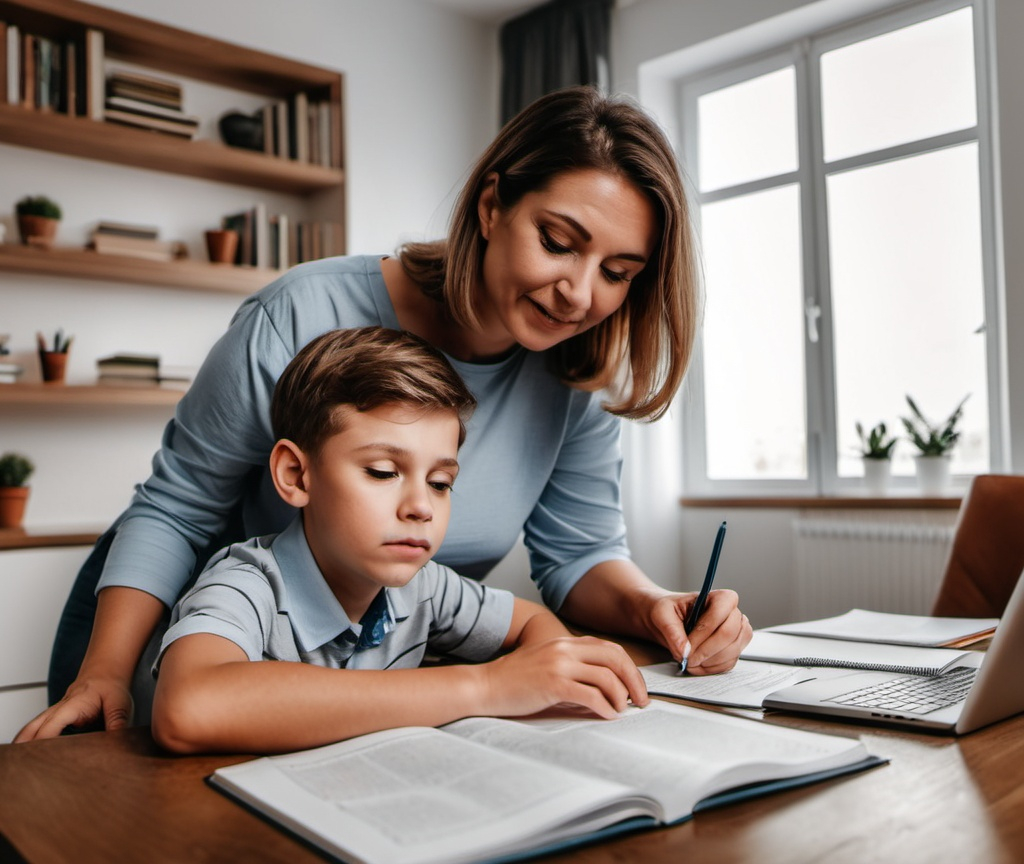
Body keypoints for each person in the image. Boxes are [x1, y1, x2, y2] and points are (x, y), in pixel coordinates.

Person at [18, 85, 751, 743]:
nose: (579, 294)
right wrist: (109, 670)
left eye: (618, 273)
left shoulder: (572, 376)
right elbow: (177, 510)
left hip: (369, 649)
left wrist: (657, 607)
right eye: (558, 243)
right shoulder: (303, 311)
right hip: (177, 629)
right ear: (492, 206)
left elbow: (580, 555)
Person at [151, 327, 647, 754]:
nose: (421, 507)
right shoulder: (244, 585)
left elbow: (534, 623)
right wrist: (486, 686)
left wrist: (550, 675)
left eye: (440, 482)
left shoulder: (425, 587)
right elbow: (188, 707)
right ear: (296, 475)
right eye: (383, 471)